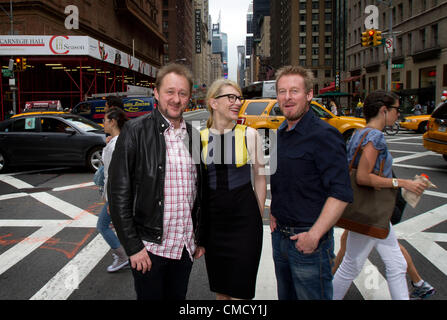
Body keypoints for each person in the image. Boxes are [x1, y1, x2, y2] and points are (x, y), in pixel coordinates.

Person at [107, 63, 204, 300]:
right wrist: (133, 248)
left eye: (182, 93)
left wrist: (199, 237)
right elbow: (118, 194)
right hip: (149, 250)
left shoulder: (193, 135)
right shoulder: (134, 131)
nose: (176, 99)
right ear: (157, 93)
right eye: (170, 92)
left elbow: (199, 191)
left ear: (189, 97)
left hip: (183, 249)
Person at [332, 90, 428, 300]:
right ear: (384, 111)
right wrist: (402, 183)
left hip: (372, 210)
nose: (398, 115)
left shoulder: (360, 132)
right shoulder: (375, 137)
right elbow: (363, 178)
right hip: (371, 210)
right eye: (396, 109)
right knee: (351, 264)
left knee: (396, 263)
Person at [269, 65, 353, 300]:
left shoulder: (324, 135)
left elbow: (341, 192)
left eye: (294, 91)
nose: (287, 97)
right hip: (280, 239)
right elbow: (282, 178)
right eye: (282, 91)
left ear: (309, 95)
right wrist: (275, 211)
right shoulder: (281, 131)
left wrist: (314, 235)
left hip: (309, 243)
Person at [198, 79, 266, 300]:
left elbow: (260, 176)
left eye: (238, 98)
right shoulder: (198, 138)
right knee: (221, 292)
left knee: (240, 294)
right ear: (213, 103)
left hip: (245, 223)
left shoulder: (250, 134)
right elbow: (195, 186)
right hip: (214, 226)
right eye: (230, 98)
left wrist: (258, 211)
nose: (237, 102)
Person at [96, 107, 129, 272]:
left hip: (116, 196)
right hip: (122, 194)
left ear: (113, 122)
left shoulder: (114, 145)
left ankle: (122, 256)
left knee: (102, 225)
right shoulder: (121, 140)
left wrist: (108, 198)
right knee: (122, 225)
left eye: (104, 120)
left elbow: (112, 175)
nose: (103, 123)